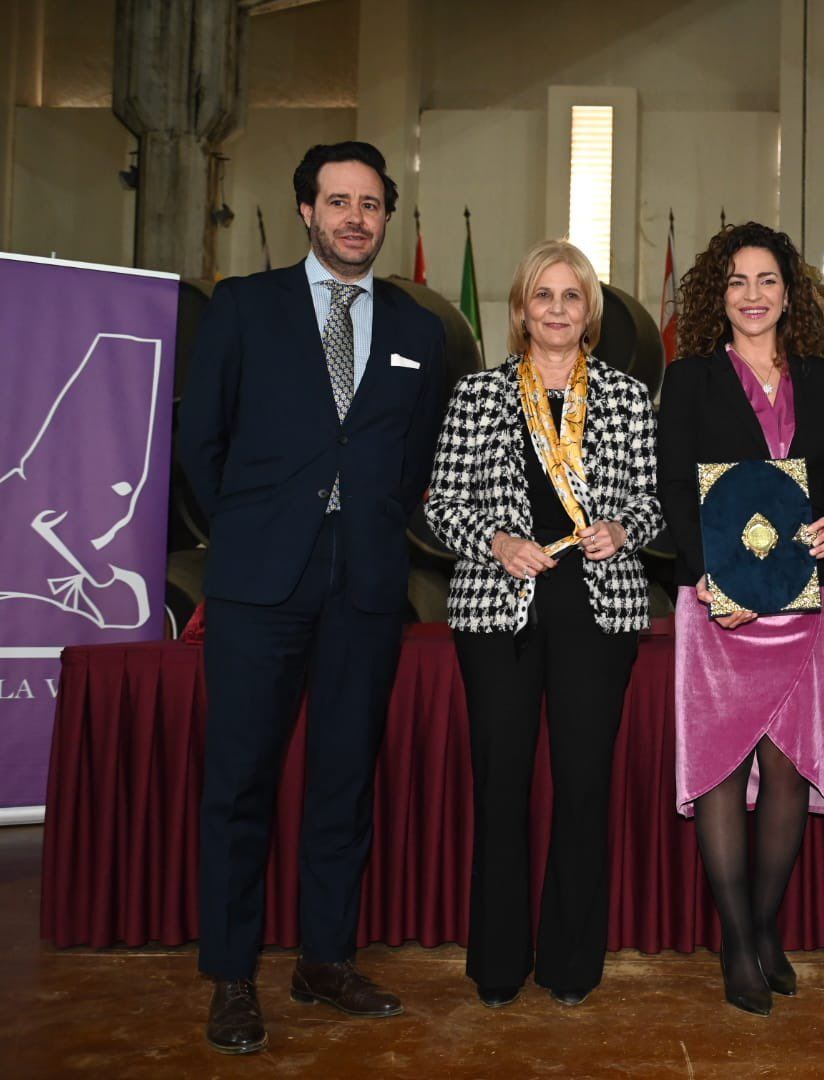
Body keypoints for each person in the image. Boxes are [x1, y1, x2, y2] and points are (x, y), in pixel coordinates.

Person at [176, 141, 447, 1054]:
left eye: (370, 204)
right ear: (306, 210)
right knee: (240, 783)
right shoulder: (244, 307)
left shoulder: (417, 330)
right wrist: (251, 528)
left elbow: (414, 458)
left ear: (387, 215)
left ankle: (325, 960)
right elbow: (200, 440)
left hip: (365, 586)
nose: (354, 218)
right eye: (338, 201)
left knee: (343, 780)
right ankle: (232, 976)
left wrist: (364, 523)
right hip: (258, 586)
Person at [424, 240, 662, 1009]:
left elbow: (654, 503)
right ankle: (497, 962)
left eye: (571, 296)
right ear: (521, 310)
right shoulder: (478, 395)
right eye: (543, 295)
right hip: (499, 609)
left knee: (584, 786)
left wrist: (622, 529)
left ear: (589, 312)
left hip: (598, 609)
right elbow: (441, 505)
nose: (557, 309)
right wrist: (495, 541)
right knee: (501, 786)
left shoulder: (628, 397)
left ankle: (571, 962)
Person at [657, 222, 824, 1017]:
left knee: (786, 768)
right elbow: (677, 490)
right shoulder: (691, 379)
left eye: (767, 279)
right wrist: (713, 576)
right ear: (719, 294)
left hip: (807, 604)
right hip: (720, 606)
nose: (752, 294)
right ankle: (737, 945)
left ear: (788, 291)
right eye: (737, 280)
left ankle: (764, 926)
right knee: (718, 766)